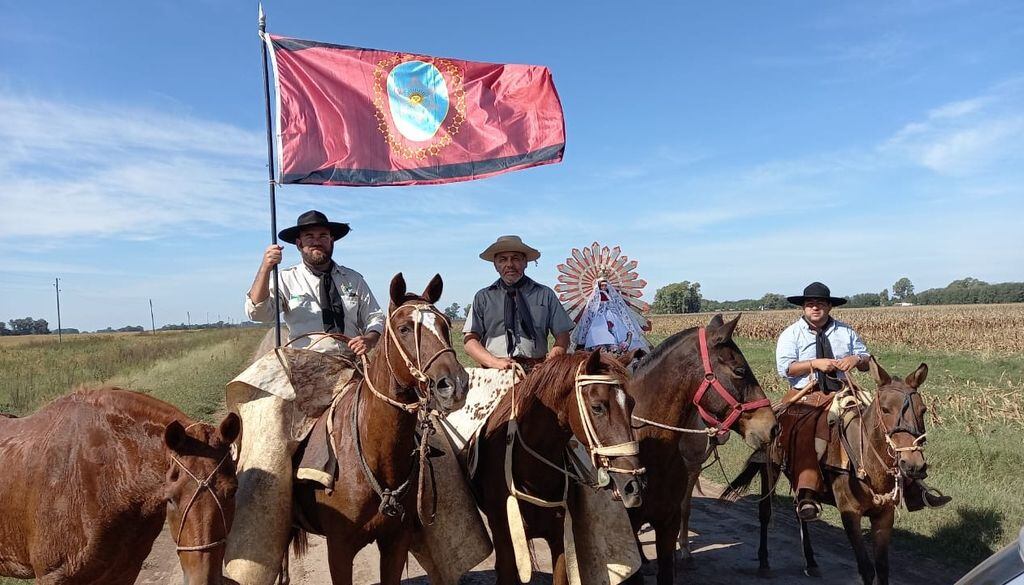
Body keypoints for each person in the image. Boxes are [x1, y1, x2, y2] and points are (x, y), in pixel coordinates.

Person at [775, 281, 871, 521]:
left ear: (829, 306)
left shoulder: (845, 332)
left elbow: (867, 360)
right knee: (806, 430)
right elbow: (785, 368)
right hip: (807, 391)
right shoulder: (791, 334)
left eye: (820, 304)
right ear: (803, 308)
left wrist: (855, 359)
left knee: (881, 417)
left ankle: (905, 486)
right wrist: (814, 364)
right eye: (810, 304)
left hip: (842, 389)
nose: (814, 308)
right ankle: (807, 493)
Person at [245, 210, 384, 355]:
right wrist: (265, 268)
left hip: (352, 362)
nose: (317, 242)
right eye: (309, 236)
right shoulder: (286, 279)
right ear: (299, 244)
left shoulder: (353, 279)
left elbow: (375, 317)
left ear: (331, 241)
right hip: (303, 365)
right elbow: (259, 314)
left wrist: (370, 339)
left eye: (323, 236)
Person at [463, 235, 575, 370]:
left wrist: (547, 365)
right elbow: (470, 341)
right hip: (493, 374)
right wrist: (495, 362)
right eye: (503, 260)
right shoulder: (483, 298)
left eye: (515, 258)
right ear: (495, 265)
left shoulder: (545, 294)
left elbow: (563, 336)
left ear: (525, 262)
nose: (509, 264)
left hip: (537, 371)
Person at [572, 278, 651, 353]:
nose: (604, 287)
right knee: (598, 329)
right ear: (599, 286)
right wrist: (602, 305)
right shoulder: (596, 295)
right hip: (599, 315)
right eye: (602, 285)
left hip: (609, 313)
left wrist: (609, 306)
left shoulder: (608, 294)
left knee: (618, 327)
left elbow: (613, 303)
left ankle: (617, 343)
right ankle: (601, 343)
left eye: (605, 285)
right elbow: (593, 305)